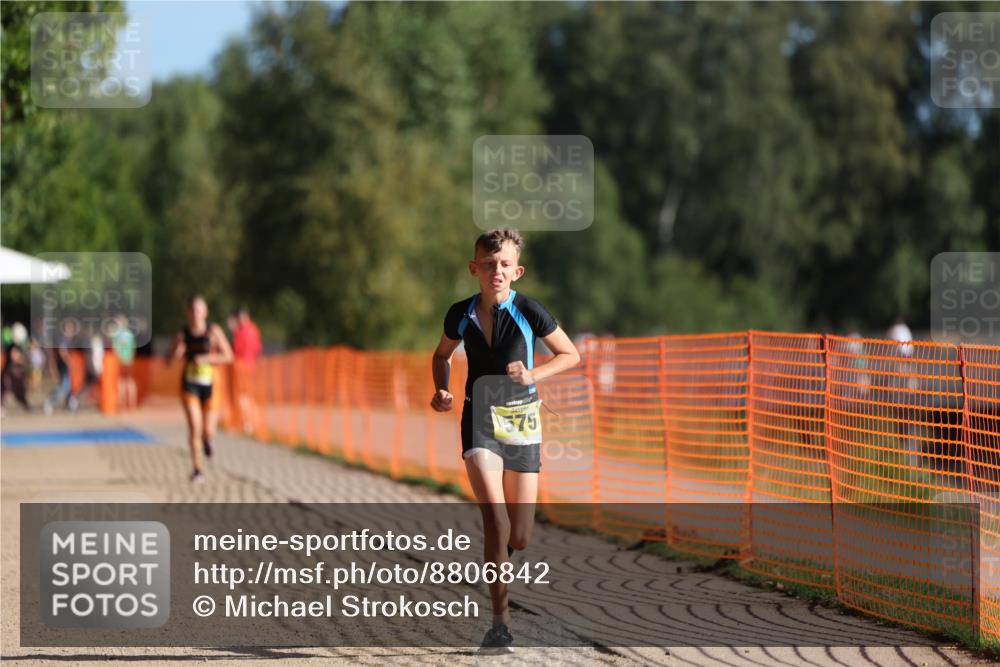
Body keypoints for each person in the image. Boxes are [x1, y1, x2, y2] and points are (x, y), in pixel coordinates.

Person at [430, 227, 580, 652]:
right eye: (488, 263)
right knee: (494, 520)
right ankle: (500, 623)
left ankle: (500, 561)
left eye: (504, 265)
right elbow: (442, 355)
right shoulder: (460, 313)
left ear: (517, 271)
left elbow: (571, 354)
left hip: (523, 424)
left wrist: (533, 374)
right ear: (474, 267)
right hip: (479, 418)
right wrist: (442, 389)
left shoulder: (530, 311)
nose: (496, 271)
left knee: (519, 537)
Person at [168, 295, 234, 482]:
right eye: (193, 310)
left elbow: (229, 356)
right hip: (189, 384)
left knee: (208, 430)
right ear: (188, 313)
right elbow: (169, 358)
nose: (196, 314)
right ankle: (198, 470)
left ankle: (207, 440)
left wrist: (207, 359)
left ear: (205, 312)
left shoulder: (213, 332)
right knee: (194, 427)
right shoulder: (183, 334)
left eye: (199, 310)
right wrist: (177, 352)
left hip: (211, 384)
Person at [231, 305, 263, 435]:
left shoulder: (241, 331)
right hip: (252, 366)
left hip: (241, 367)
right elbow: (258, 348)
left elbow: (236, 349)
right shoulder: (254, 329)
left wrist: (234, 331)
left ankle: (247, 423)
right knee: (248, 396)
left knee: (242, 396)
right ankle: (253, 422)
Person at [44, 319, 78, 415]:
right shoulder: (63, 339)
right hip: (63, 366)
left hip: (70, 367)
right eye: (69, 327)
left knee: (69, 386)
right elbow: (62, 351)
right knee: (65, 386)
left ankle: (68, 405)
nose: (70, 330)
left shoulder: (72, 339)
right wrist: (68, 361)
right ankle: (50, 401)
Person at [1, 322, 31, 413]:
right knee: (4, 387)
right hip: (8, 371)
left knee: (19, 389)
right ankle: (2, 406)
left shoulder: (20, 345)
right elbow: (14, 357)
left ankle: (25, 405)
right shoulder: (10, 345)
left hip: (15, 373)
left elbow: (18, 358)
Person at [112, 315, 138, 409]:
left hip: (120, 361)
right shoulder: (130, 335)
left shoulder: (116, 335)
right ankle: (132, 403)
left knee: (121, 382)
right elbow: (133, 348)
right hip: (129, 360)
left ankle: (121, 403)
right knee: (130, 381)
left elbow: (114, 348)